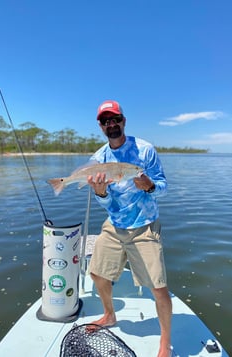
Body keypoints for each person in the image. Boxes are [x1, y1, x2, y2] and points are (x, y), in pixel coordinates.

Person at [87, 100, 172, 357]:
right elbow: (107, 202)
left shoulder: (145, 150)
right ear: (101, 126)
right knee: (97, 275)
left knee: (158, 288)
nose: (111, 124)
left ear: (124, 120)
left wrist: (148, 185)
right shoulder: (98, 158)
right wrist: (100, 193)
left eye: (115, 119)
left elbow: (164, 187)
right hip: (114, 224)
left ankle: (165, 342)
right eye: (106, 121)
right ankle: (109, 315)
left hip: (144, 226)